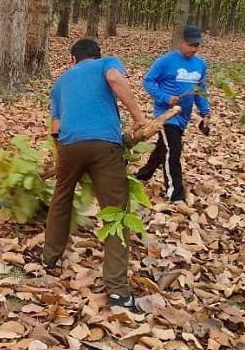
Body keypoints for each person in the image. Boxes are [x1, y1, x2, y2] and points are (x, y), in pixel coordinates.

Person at [42, 39, 148, 311]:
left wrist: (65, 156)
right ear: (97, 56)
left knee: (62, 197)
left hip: (68, 145)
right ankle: (117, 292)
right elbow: (114, 78)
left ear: (73, 60)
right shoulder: (107, 63)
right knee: (116, 211)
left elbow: (56, 126)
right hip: (105, 146)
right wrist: (138, 117)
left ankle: (49, 257)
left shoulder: (61, 82)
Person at [135, 24, 211, 204]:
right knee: (173, 150)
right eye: (191, 44)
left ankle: (141, 176)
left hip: (183, 117)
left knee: (163, 149)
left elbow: (200, 89)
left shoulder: (200, 64)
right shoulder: (165, 61)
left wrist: (205, 112)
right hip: (167, 115)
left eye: (197, 45)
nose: (194, 49)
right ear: (181, 42)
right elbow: (148, 81)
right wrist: (166, 97)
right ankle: (175, 194)